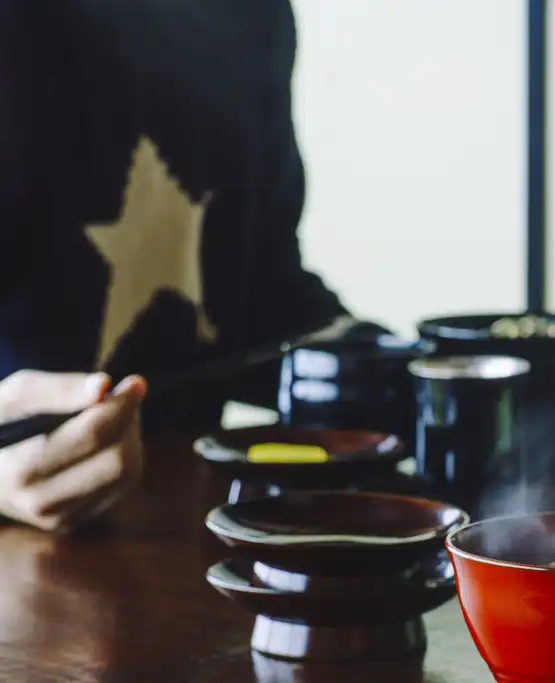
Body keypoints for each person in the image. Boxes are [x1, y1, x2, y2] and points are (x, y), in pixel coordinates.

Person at [0, 0, 378, 531]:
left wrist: (424, 379)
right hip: (25, 575)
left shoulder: (253, 17)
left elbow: (263, 302)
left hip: (199, 553)